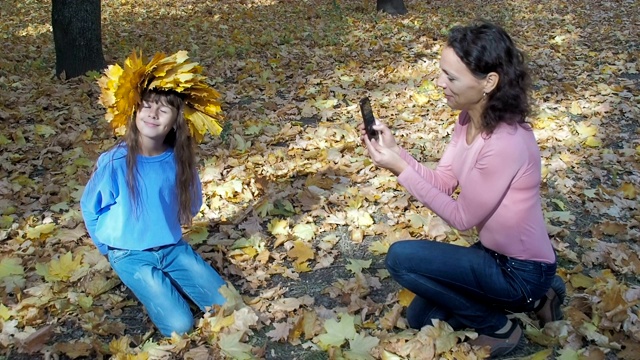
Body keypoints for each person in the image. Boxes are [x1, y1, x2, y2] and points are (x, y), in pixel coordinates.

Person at [360, 21, 566, 357]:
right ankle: (544, 299)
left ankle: (502, 328)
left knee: (400, 259)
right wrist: (398, 153)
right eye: (442, 72)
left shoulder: (506, 143)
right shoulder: (468, 119)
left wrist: (398, 169)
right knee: (422, 317)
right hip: (491, 257)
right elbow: (442, 181)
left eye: (451, 77)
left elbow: (461, 217)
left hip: (521, 271)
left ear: (489, 82)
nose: (440, 83)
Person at [81, 51, 227, 337]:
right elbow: (90, 207)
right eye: (146, 105)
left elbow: (192, 203)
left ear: (176, 121)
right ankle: (153, 286)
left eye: (164, 109)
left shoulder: (179, 159)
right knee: (180, 326)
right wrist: (107, 249)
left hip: (171, 247)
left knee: (225, 305)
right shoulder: (115, 162)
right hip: (129, 253)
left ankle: (172, 279)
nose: (153, 113)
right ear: (135, 111)